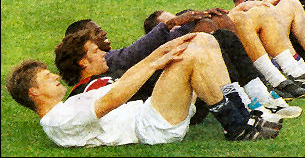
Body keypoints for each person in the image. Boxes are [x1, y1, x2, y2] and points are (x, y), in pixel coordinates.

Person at [6, 31, 278, 147]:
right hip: (150, 127)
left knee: (202, 39)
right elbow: (114, 98)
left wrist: (162, 50)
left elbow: (123, 83)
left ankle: (245, 117)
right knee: (189, 57)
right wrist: (157, 63)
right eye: (45, 77)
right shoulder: (57, 121)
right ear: (34, 92)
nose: (54, 77)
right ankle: (237, 127)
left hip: (151, 115)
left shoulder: (66, 108)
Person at [144, 9, 303, 119]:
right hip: (193, 102)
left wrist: (205, 15)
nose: (177, 25)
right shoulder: (156, 53)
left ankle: (261, 96)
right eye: (172, 24)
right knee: (213, 43)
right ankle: (246, 106)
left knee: (224, 35)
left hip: (208, 90)